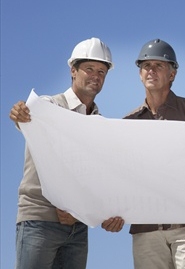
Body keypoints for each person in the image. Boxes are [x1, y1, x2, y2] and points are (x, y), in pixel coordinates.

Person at [9, 37, 124, 269]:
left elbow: (97, 178)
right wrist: (20, 114)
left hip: (77, 228)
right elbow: (26, 118)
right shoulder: (48, 105)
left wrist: (108, 212)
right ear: (73, 70)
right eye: (89, 69)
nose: (96, 76)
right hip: (40, 221)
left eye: (101, 71)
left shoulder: (101, 125)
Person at [124, 38, 185, 269]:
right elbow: (121, 175)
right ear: (140, 73)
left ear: (172, 74)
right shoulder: (127, 123)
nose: (151, 70)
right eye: (146, 66)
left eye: (159, 65)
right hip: (145, 229)